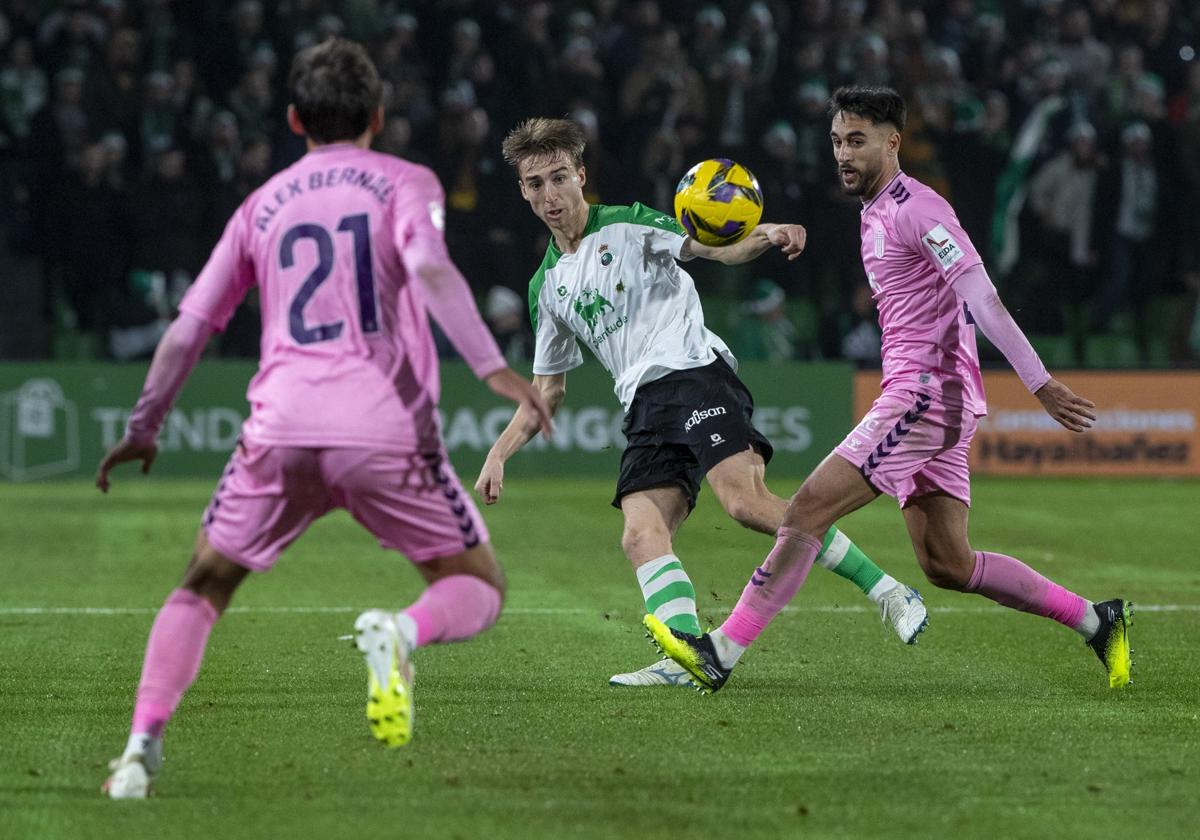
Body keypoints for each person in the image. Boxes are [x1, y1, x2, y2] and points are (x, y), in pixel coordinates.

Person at [94, 39, 552, 798]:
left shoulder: (261, 203)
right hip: (383, 430)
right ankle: (402, 633)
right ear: (378, 115)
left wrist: (145, 426)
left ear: (294, 118)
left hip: (279, 430)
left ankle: (139, 750)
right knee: (478, 583)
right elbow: (431, 268)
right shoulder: (406, 181)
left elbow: (187, 329)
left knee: (202, 585)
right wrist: (493, 368)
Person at [645, 86, 1132, 693]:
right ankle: (1097, 620)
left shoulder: (922, 210)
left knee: (805, 513)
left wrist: (1040, 383)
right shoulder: (874, 210)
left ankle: (721, 650)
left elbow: (982, 297)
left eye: (856, 141)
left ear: (893, 141)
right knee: (948, 564)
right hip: (933, 397)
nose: (842, 154)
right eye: (836, 142)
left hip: (926, 397)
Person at [476, 117, 928, 688]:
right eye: (535, 184)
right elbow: (548, 391)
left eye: (558, 177)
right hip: (642, 406)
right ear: (523, 191)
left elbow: (713, 249)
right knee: (640, 535)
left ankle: (887, 590)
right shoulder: (548, 287)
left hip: (694, 375)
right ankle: (688, 659)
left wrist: (765, 234)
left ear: (581, 176)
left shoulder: (631, 224)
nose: (549, 195)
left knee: (745, 503)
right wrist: (497, 454)